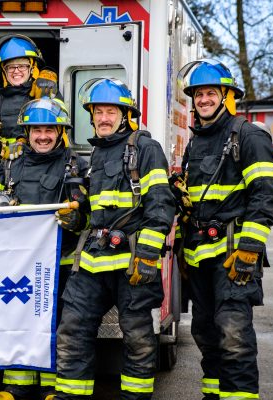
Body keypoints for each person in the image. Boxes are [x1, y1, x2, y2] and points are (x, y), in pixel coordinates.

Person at [54, 78, 175, 400]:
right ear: (91, 116)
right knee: (72, 331)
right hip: (93, 261)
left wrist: (148, 254)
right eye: (98, 112)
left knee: (137, 337)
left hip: (132, 263)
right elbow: (94, 214)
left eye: (111, 111)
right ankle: (70, 396)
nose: (104, 118)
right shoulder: (95, 155)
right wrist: (76, 218)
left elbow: (161, 202)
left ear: (125, 115)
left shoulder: (145, 149)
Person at [176, 59, 273, 400]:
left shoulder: (248, 136)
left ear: (226, 96)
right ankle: (214, 394)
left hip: (234, 255)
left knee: (233, 334)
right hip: (200, 255)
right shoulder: (196, 141)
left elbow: (267, 195)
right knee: (205, 332)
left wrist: (250, 248)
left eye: (211, 93)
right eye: (198, 94)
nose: (204, 99)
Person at [0, 98, 88, 400]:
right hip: (18, 262)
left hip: (61, 261)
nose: (43, 136)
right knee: (17, 320)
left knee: (54, 322)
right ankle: (17, 385)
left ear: (61, 132)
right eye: (36, 130)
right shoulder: (10, 165)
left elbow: (90, 214)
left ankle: (50, 385)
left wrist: (76, 219)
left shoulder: (76, 166)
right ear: (26, 133)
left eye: (49, 130)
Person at [0, 34, 58, 205]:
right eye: (10, 67)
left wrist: (49, 91)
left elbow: (60, 133)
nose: (16, 71)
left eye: (22, 65)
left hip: (41, 177)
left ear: (33, 68)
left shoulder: (43, 93)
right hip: (5, 175)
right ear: (4, 71)